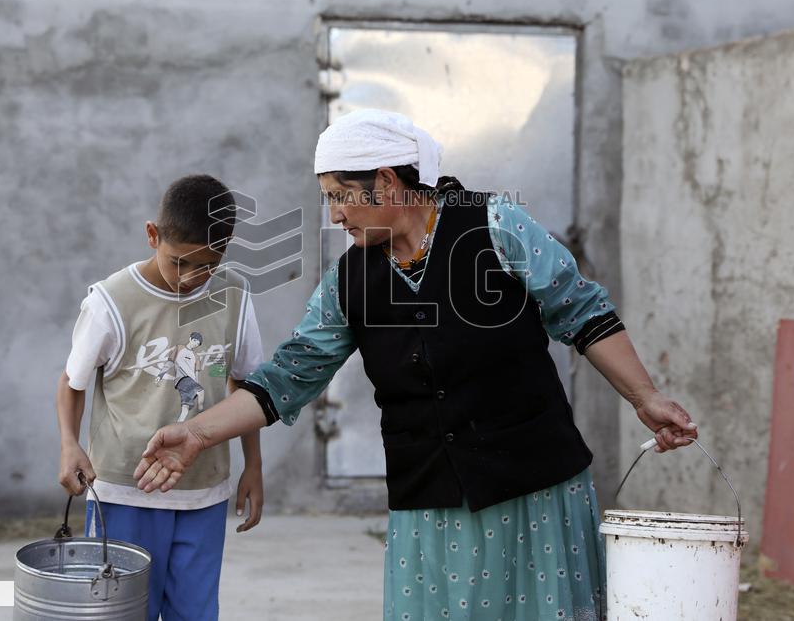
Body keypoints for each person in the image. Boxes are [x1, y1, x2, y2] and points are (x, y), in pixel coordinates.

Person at [133, 111, 698, 621]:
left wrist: (644, 397)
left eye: (339, 196)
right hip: (431, 510)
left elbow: (583, 312)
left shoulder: (494, 228)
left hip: (533, 494)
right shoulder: (348, 283)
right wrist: (197, 433)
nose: (334, 216)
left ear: (385, 181)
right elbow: (285, 378)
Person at [55, 174, 265, 621]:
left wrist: (254, 466)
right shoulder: (111, 301)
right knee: (123, 612)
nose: (192, 278)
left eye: (207, 265)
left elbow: (245, 387)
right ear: (153, 235)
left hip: (203, 493)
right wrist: (70, 446)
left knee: (196, 612)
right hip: (122, 493)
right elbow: (72, 383)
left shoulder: (234, 295)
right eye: (179, 262)